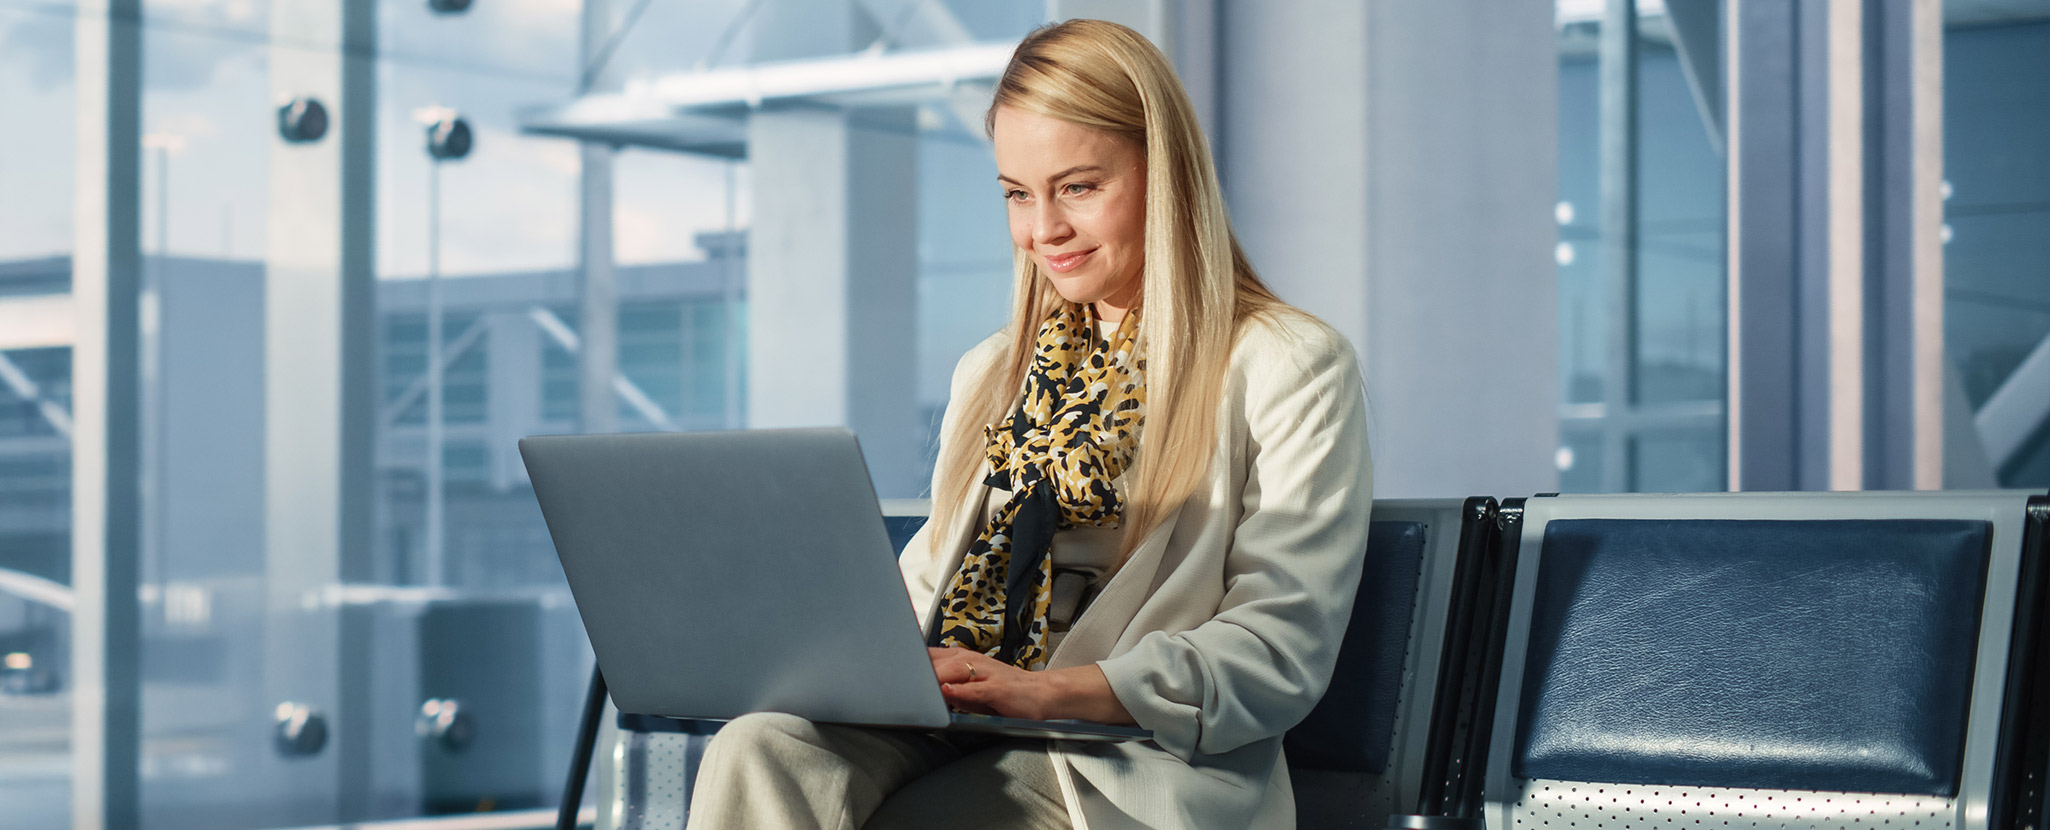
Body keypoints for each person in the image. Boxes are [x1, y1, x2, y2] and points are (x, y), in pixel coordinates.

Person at [685, 18, 1372, 830]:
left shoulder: (1287, 364)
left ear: (1167, 176)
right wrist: (848, 661)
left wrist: (1044, 691)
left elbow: (1278, 648)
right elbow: (929, 579)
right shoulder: (994, 370)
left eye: (1078, 187)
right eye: (1018, 193)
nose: (1042, 231)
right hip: (964, 721)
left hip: (1126, 757)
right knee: (759, 748)